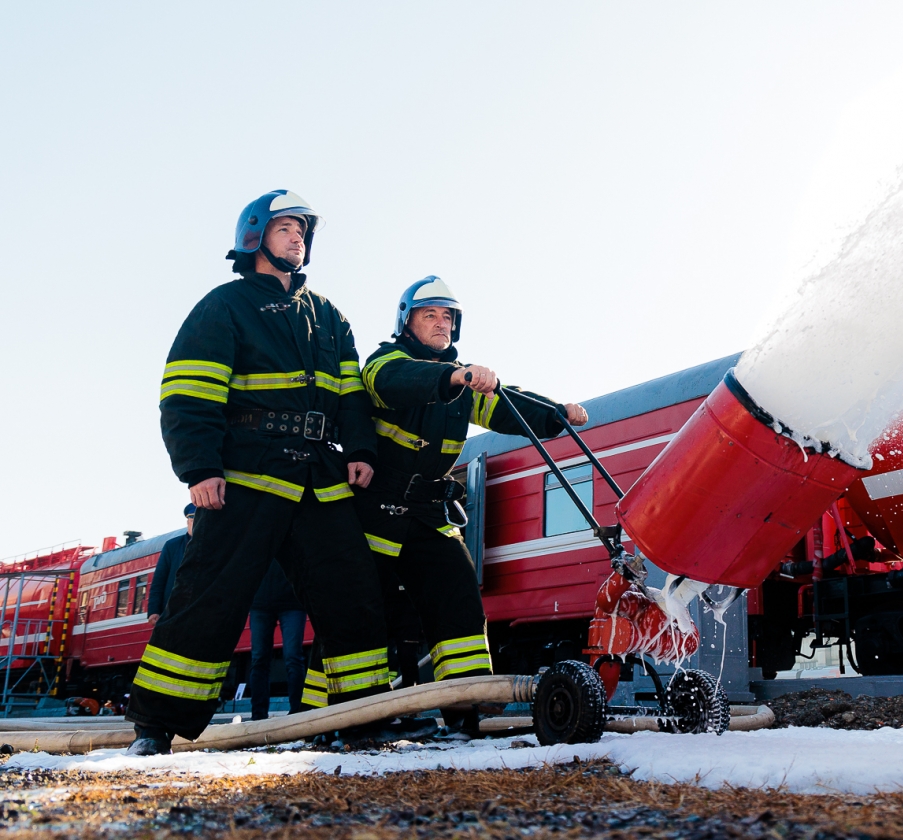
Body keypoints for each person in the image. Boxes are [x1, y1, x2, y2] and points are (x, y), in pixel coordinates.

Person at [126, 190, 390, 755]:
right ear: (255, 237)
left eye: (302, 231)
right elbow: (187, 395)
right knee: (209, 595)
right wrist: (199, 468)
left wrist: (359, 450)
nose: (297, 238)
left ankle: (367, 716)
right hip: (246, 471)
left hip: (319, 476)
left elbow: (351, 396)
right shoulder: (225, 306)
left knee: (352, 591)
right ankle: (156, 725)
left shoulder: (329, 315)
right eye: (284, 228)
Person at [300, 276, 588, 739]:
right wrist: (453, 376)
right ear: (407, 323)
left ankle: (463, 710)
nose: (442, 324)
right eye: (430, 315)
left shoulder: (464, 383)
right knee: (358, 611)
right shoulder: (384, 363)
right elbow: (398, 384)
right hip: (373, 513)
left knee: (459, 604)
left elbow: (510, 408)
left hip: (429, 513)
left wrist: (556, 413)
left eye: (448, 317)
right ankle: (323, 719)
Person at [247, 561, 307, 721]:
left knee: (287, 658)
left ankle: (296, 713)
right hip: (266, 601)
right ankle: (259, 717)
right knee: (286, 659)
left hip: (288, 600)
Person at [147, 504, 196, 624]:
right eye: (193, 519)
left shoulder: (217, 546)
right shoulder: (172, 546)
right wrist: (154, 610)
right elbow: (159, 581)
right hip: (173, 611)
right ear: (187, 522)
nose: (196, 523)